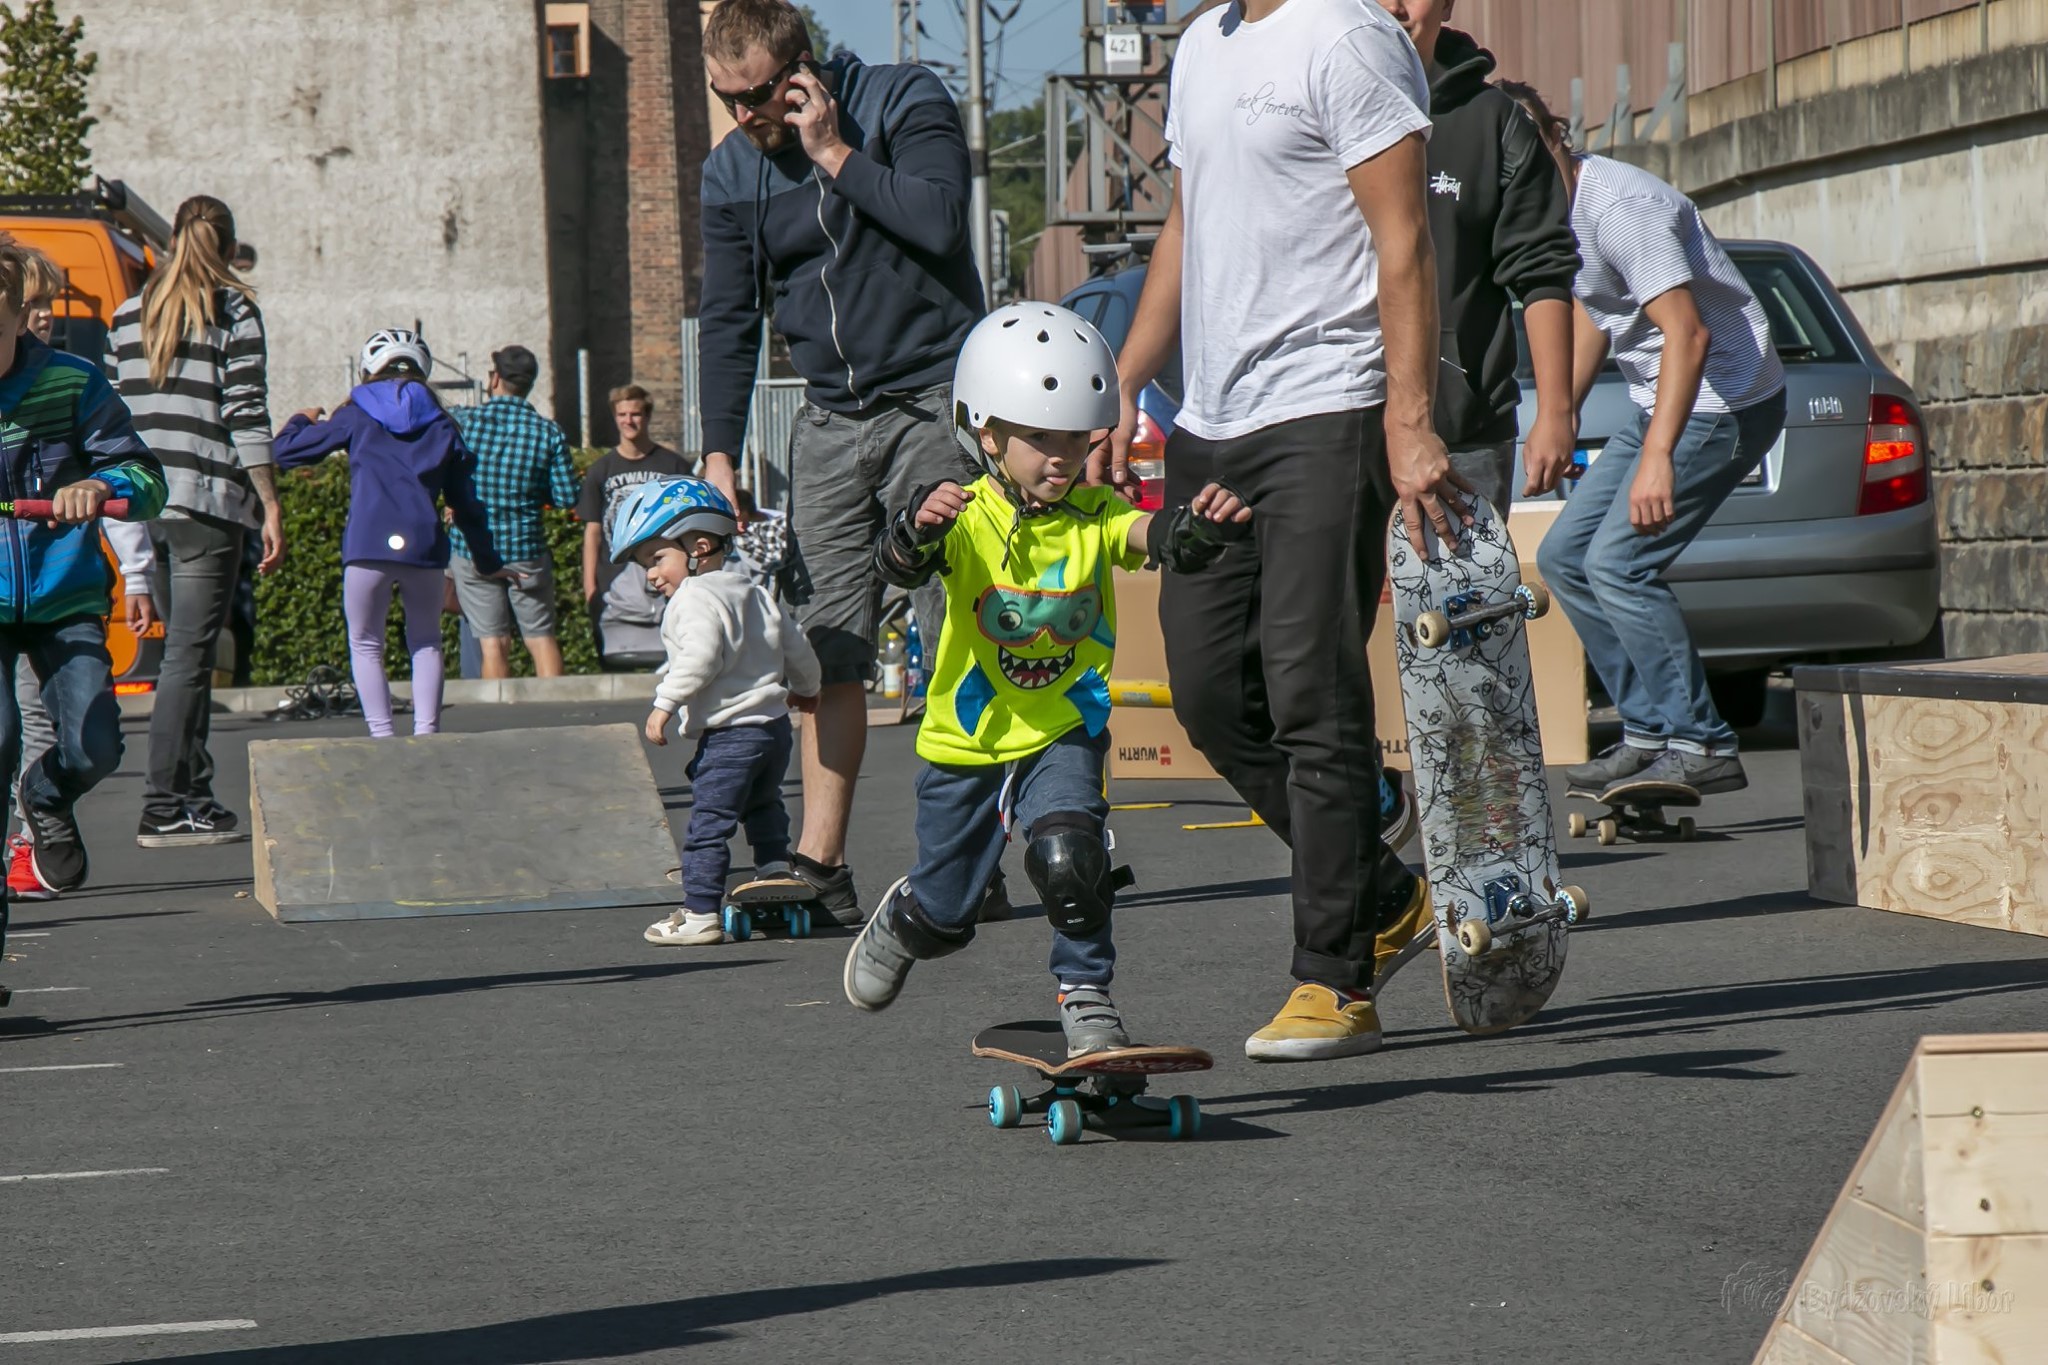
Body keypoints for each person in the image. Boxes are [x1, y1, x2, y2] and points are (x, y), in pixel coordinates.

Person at [1106, 0, 1469, 1062]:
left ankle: (1332, 979)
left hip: (1325, 407)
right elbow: (1185, 224)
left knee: (1311, 688)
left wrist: (1407, 424)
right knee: (1210, 693)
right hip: (1211, 421)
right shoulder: (1202, 52)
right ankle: (1386, 895)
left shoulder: (1345, 37)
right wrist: (1119, 383)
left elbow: (1402, 238)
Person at [841, 303, 1251, 1055]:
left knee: (1072, 858)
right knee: (946, 917)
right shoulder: (961, 516)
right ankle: (909, 918)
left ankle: (1086, 993)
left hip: (1065, 727)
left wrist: (1194, 531)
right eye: (1039, 437)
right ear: (987, 432)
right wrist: (914, 531)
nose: (1060, 456)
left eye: (1073, 437)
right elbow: (897, 566)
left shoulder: (1094, 514)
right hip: (965, 742)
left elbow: (1149, 535)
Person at [698, 0, 984, 924]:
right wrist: (717, 448)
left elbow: (941, 223)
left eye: (759, 97)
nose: (746, 117)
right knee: (827, 650)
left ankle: (968, 857)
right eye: (726, 98)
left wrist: (832, 155)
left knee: (956, 632)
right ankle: (823, 866)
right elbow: (731, 320)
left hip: (932, 397)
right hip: (825, 423)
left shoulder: (904, 99)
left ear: (801, 72)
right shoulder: (731, 171)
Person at [1505, 83, 1789, 801]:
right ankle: (1648, 732)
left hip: (1723, 402)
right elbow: (1600, 310)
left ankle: (1702, 740)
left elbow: (1687, 332)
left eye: (1526, 155)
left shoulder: (1623, 209)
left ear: (1554, 139)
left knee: (1620, 563)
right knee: (1567, 557)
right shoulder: (1565, 214)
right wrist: (1559, 412)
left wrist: (1657, 456)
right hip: (1662, 399)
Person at [0, 233, 168, 973]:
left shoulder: (71, 383)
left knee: (95, 743)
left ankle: (48, 792)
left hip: (65, 595)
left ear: (16, 317)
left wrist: (101, 487)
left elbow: (147, 477)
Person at [107, 195, 284, 848]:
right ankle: (164, 800)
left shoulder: (128, 315)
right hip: (207, 497)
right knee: (189, 654)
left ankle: (195, 791)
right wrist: (270, 502)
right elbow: (244, 410)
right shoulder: (233, 311)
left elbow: (112, 414)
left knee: (184, 652)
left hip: (144, 495)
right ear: (229, 248)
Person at [612, 477, 821, 947]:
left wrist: (664, 704)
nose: (650, 574)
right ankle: (773, 873)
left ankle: (701, 911)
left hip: (729, 736)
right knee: (765, 805)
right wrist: (808, 690)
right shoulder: (753, 591)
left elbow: (700, 656)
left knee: (708, 823)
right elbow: (796, 646)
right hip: (772, 730)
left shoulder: (693, 597)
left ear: (699, 546)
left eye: (656, 558)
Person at [273, 330, 506, 738]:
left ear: (368, 370)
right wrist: (489, 562)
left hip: (366, 543)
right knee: (426, 642)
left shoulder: (356, 413)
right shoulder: (443, 423)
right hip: (425, 546)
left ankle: (382, 737)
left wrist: (301, 419)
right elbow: (467, 503)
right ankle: (426, 733)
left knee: (366, 643)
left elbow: (285, 453)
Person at [447, 344, 578, 680]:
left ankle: (498, 723)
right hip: (526, 549)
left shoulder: (466, 422)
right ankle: (558, 715)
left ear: (495, 379)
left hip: (472, 548)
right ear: (530, 384)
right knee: (540, 636)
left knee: (494, 643)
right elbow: (566, 497)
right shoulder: (548, 432)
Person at [576, 384, 690, 661]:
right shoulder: (601, 470)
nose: (629, 421)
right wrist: (589, 586)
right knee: (615, 661)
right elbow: (592, 532)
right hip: (613, 583)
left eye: (636, 414)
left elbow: (689, 527)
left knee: (674, 659)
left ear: (647, 416)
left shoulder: (674, 466)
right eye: (622, 414)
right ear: (615, 417)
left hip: (666, 579)